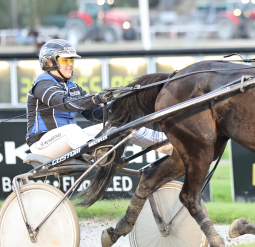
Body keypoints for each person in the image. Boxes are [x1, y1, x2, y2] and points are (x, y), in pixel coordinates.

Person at [26, 39, 170, 159]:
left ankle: (169, 145)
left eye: (71, 60)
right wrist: (96, 98)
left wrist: (122, 102)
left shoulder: (72, 87)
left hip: (70, 141)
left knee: (122, 125)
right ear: (49, 62)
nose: (70, 64)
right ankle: (97, 152)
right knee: (71, 129)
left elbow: (96, 114)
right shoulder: (42, 84)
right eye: (65, 60)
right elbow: (64, 104)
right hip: (42, 144)